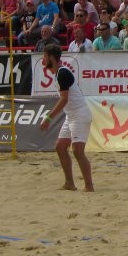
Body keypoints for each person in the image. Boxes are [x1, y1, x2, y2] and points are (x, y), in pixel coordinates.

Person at [39, 44, 94, 192]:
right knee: (60, 147)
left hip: (79, 114)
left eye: (45, 56)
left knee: (77, 151)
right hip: (71, 115)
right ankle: (69, 183)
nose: (43, 59)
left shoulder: (62, 73)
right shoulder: (58, 72)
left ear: (51, 58)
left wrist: (49, 117)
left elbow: (64, 99)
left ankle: (89, 186)